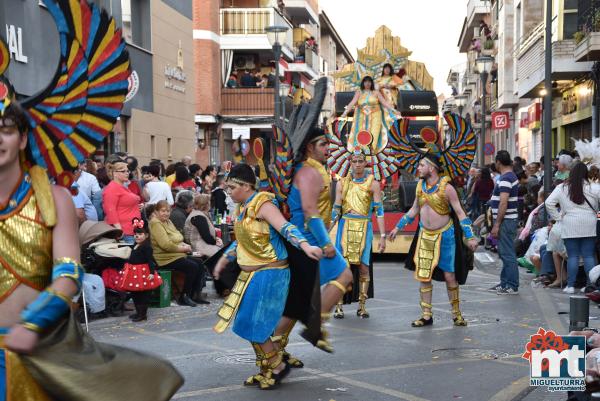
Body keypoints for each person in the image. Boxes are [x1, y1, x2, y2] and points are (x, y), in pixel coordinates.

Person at [212, 164, 322, 390]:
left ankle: (277, 367)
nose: (229, 192)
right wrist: (225, 259)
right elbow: (241, 241)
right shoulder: (241, 208)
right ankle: (266, 369)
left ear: (246, 186)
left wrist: (305, 245)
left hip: (270, 273)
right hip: (250, 275)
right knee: (249, 324)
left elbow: (286, 228)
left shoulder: (263, 204)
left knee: (254, 324)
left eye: (232, 187)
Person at [276, 127, 353, 356]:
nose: (328, 148)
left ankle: (273, 354)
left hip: (300, 238)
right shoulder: (309, 172)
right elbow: (310, 212)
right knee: (345, 275)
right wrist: (326, 243)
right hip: (307, 238)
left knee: (295, 304)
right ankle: (315, 326)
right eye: (323, 144)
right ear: (309, 147)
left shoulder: (305, 169)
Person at [389, 154, 478, 327]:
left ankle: (456, 314)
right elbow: (414, 209)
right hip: (425, 236)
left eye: (421, 165)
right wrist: (397, 227)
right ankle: (426, 315)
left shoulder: (447, 187)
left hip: (446, 236)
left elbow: (460, 212)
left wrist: (470, 236)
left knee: (450, 276)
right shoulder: (420, 186)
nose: (418, 168)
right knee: (424, 276)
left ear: (432, 168)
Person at [331, 149, 386, 319]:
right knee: (342, 267)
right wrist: (325, 231)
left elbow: (380, 211)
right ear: (350, 163)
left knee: (364, 267)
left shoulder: (373, 184)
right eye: (354, 161)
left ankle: (362, 305)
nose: (357, 165)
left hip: (365, 227)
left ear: (366, 163)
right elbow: (336, 210)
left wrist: (383, 236)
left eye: (360, 161)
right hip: (345, 225)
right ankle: (338, 305)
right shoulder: (342, 183)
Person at [545, 162, 600, 293]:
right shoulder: (594, 188)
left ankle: (570, 286)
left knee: (573, 256)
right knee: (588, 256)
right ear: (586, 173)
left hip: (569, 224)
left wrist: (558, 217)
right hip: (590, 224)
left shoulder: (562, 188)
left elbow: (548, 203)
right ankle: (590, 285)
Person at [149, 200, 208, 306]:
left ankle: (195, 295)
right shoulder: (155, 223)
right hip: (164, 258)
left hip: (176, 254)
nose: (166, 213)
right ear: (156, 211)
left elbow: (177, 237)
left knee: (199, 262)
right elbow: (166, 245)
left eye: (168, 211)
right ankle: (184, 296)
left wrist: (185, 245)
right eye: (163, 211)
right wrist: (184, 249)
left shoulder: (168, 221)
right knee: (192, 266)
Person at [116, 218, 163, 322]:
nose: (137, 236)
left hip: (143, 273)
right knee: (135, 293)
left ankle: (143, 314)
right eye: (135, 234)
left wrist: (151, 272)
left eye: (140, 234)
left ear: (146, 236)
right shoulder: (135, 245)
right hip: (133, 272)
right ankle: (138, 312)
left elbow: (150, 261)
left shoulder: (147, 247)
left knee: (143, 295)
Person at [489, 150, 520, 295]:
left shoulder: (506, 178)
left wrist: (497, 224)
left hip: (506, 221)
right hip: (506, 220)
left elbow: (503, 202)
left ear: (498, 162)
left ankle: (512, 285)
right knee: (504, 252)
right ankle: (504, 283)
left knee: (507, 253)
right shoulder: (508, 176)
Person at [341, 76, 398, 154]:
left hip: (376, 115)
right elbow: (352, 103)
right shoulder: (359, 92)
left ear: (371, 83)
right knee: (360, 134)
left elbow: (384, 103)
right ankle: (360, 152)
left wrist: (394, 110)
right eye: (365, 81)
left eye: (369, 82)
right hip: (361, 116)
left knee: (374, 133)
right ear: (363, 83)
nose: (367, 83)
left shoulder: (376, 92)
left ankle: (371, 152)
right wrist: (345, 112)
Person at [103, 160, 142, 244]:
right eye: (123, 171)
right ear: (115, 173)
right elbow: (110, 211)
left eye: (127, 171)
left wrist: (136, 206)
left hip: (133, 230)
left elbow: (125, 203)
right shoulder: (112, 188)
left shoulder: (122, 186)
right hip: (125, 232)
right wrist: (119, 230)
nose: (127, 173)